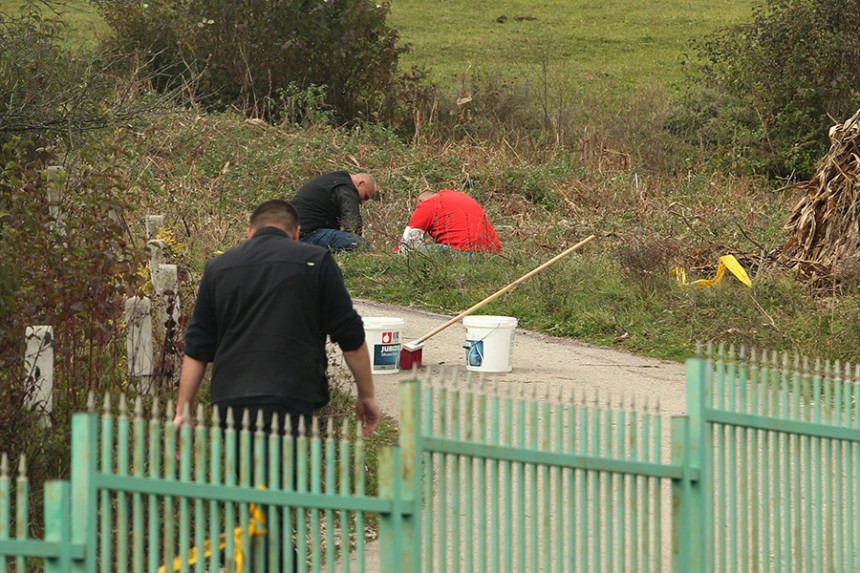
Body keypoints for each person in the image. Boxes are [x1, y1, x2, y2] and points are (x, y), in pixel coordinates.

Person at [175, 197, 380, 447]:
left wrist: (182, 411)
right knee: (282, 480)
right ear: (296, 234)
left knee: (241, 480)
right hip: (293, 395)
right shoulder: (317, 262)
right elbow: (352, 337)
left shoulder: (218, 268)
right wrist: (366, 395)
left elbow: (197, 347)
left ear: (250, 233)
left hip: (232, 396)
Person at [290, 171, 376, 252]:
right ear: (361, 183)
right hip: (307, 235)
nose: (362, 202)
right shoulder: (346, 187)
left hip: (292, 232)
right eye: (365, 196)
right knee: (361, 244)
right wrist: (355, 241)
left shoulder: (333, 180)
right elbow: (352, 222)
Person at [397, 189, 501, 254]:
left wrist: (395, 257)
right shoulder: (461, 196)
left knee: (420, 253)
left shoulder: (428, 203)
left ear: (420, 202)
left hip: (465, 253)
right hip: (492, 253)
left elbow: (407, 244)